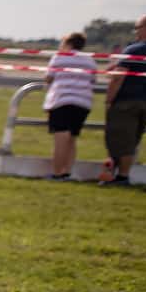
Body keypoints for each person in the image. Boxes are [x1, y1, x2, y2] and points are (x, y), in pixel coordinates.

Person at [101, 14, 146, 185]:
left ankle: (121, 177)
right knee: (133, 139)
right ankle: (118, 174)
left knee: (121, 141)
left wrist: (109, 99)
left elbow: (117, 77)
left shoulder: (134, 50)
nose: (136, 31)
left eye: (138, 28)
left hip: (126, 102)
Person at [42, 31, 97, 180]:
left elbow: (48, 77)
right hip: (83, 103)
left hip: (61, 100)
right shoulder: (89, 60)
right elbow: (93, 79)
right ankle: (67, 172)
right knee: (72, 138)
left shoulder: (59, 57)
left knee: (61, 137)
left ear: (68, 43)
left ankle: (56, 172)